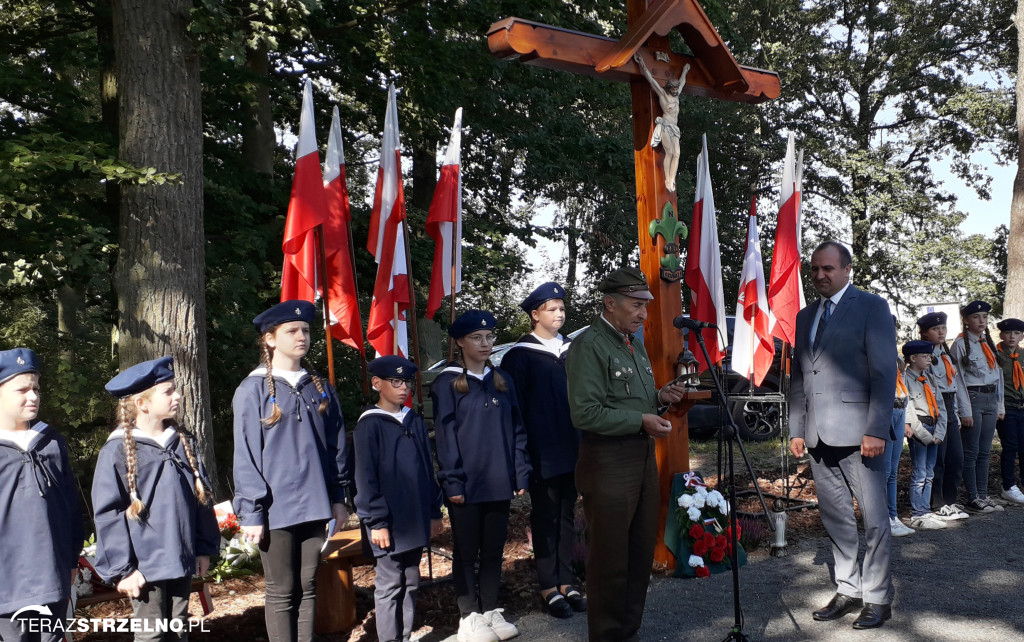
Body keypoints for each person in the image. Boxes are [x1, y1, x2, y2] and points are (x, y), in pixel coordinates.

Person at [564, 267, 687, 642]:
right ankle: (606, 636)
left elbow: (629, 399)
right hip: (607, 463)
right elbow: (585, 412)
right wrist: (642, 420)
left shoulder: (630, 343)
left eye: (644, 307)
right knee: (610, 561)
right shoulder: (591, 345)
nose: (642, 315)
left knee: (637, 557)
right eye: (636, 306)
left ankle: (627, 632)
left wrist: (659, 398)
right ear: (609, 303)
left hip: (640, 459)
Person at [788, 241, 896, 630]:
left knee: (874, 518)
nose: (820, 275)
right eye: (815, 269)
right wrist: (796, 428)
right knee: (835, 518)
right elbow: (799, 376)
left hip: (860, 435)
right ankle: (848, 589)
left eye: (828, 268)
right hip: (817, 435)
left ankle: (878, 598)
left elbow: (885, 372)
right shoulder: (805, 316)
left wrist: (875, 429)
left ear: (848, 269)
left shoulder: (872, 307)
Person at [233, 300, 353, 642]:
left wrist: (338, 497)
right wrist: (252, 511)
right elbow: (246, 455)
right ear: (270, 339)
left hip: (315, 502)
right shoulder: (252, 389)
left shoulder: (320, 386)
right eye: (292, 331)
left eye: (305, 330)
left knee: (308, 585)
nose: (302, 336)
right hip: (275, 508)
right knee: (282, 590)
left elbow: (336, 448)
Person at [92, 356, 219, 641]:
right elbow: (108, 514)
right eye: (169, 391)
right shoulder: (116, 452)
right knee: (151, 635)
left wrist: (202, 547)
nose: (178, 395)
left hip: (181, 557)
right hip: (144, 567)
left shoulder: (183, 441)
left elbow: (201, 498)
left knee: (178, 629)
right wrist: (123, 570)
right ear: (142, 403)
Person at [431, 310, 531, 642]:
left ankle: (489, 610)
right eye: (477, 337)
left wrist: (519, 473)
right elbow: (445, 438)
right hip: (467, 485)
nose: (486, 343)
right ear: (459, 342)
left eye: (490, 337)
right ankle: (468, 616)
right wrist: (453, 482)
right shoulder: (448, 383)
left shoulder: (502, 380)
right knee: (466, 550)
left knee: (492, 549)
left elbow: (518, 430)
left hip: (499, 481)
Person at [501, 282, 584, 619]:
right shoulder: (519, 356)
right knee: (545, 517)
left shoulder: (573, 349)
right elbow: (514, 411)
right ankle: (548, 586)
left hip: (573, 447)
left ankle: (568, 581)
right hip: (541, 451)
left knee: (567, 516)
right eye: (552, 309)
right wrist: (520, 458)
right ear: (534, 315)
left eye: (562, 308)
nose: (559, 314)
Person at [355, 355, 443, 642]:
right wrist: (376, 522)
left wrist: (433, 512)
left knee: (411, 579)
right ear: (377, 383)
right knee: (390, 582)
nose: (403, 387)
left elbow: (426, 468)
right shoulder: (370, 424)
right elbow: (366, 478)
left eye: (407, 382)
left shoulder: (413, 419)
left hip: (414, 517)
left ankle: (404, 635)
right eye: (396, 381)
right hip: (388, 522)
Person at [0, 348, 82, 642]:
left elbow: (70, 506)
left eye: (36, 388)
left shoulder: (50, 442)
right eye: (21, 389)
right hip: (7, 587)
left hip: (51, 578)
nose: (32, 396)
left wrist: (72, 559)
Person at [950, 300, 1005, 514]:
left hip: (991, 398)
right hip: (973, 398)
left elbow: (997, 375)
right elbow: (959, 381)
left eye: (984, 317)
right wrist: (965, 411)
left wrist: (1000, 405)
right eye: (976, 317)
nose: (981, 321)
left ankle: (983, 495)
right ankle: (972, 497)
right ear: (966, 320)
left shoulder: (988, 342)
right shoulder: (961, 344)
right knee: (971, 451)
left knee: (985, 451)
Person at [918, 311, 971, 521]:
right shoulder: (924, 356)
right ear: (924, 333)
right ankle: (937, 503)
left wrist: (957, 413)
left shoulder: (946, 355)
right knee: (937, 459)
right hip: (934, 407)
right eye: (935, 329)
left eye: (943, 329)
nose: (941, 332)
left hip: (950, 407)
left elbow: (955, 387)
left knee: (956, 458)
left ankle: (950, 501)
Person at [901, 340, 948, 531]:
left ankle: (926, 510)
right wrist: (925, 435)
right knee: (920, 473)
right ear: (913, 358)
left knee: (930, 472)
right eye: (925, 356)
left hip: (934, 427)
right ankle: (917, 513)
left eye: (930, 356)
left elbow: (941, 405)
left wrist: (940, 431)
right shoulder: (905, 379)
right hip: (920, 430)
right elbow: (908, 410)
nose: (929, 359)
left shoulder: (929, 378)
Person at [633, 53, 691, 193]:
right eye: (674, 89)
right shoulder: (663, 94)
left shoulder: (677, 93)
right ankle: (668, 180)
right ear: (669, 88)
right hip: (665, 125)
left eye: (677, 89)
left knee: (677, 153)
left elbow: (682, 81)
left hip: (675, 128)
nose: (676, 91)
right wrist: (642, 63)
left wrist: (685, 70)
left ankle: (671, 179)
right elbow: (651, 80)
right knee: (669, 152)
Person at [886, 318, 914, 537]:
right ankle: (882, 517)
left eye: (892, 329)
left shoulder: (896, 359)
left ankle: (893, 515)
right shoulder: (873, 354)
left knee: (893, 471)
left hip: (899, 409)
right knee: (884, 471)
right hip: (884, 412)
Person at [995, 318, 1024, 505]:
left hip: (1022, 406)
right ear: (1001, 335)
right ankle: (1008, 486)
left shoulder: (1022, 355)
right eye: (1008, 333)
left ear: (1022, 336)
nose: (1012, 336)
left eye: (1016, 333)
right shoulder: (996, 355)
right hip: (1006, 407)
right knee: (1010, 446)